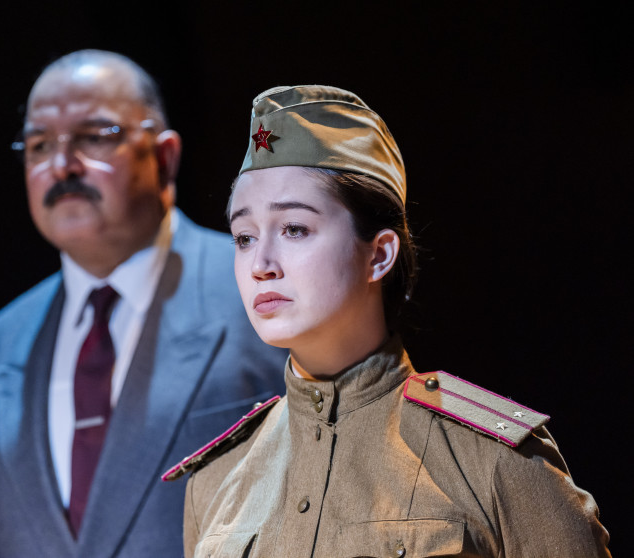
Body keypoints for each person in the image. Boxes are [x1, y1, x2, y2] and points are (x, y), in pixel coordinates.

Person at [163, 85, 611, 557]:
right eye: (244, 237)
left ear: (379, 255)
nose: (261, 264)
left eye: (294, 228)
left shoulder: (494, 462)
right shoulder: (216, 482)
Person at [0, 50, 287, 558]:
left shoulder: (262, 288)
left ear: (165, 158)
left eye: (94, 136)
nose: (62, 165)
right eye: (40, 145)